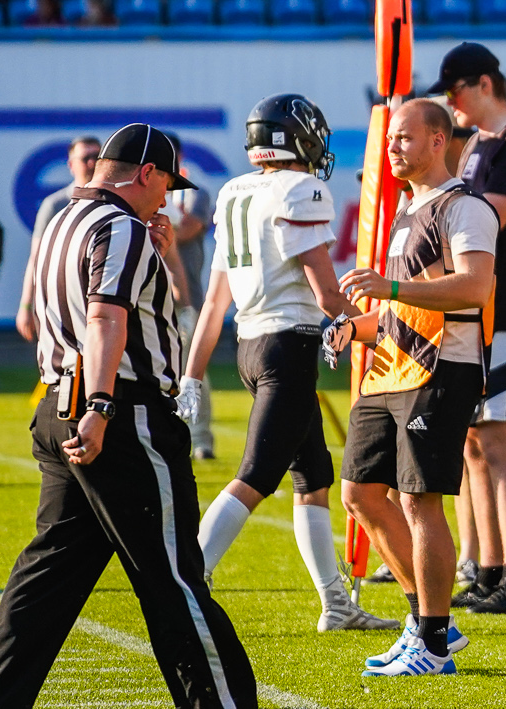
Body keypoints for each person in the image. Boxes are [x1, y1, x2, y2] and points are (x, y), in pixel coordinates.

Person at [0, 124, 259, 709]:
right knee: (175, 581)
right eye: (166, 186)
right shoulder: (119, 226)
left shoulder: (62, 219)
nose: (167, 200)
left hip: (59, 406)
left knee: (47, 578)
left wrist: (162, 255)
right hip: (120, 416)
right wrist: (101, 408)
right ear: (145, 173)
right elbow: (106, 319)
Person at [180, 95, 394, 632]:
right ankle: (185, 581)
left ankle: (336, 605)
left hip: (251, 348)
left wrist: (191, 375)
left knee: (313, 478)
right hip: (287, 350)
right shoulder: (300, 189)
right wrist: (382, 330)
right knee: (255, 476)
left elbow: (215, 303)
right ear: (297, 138)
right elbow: (327, 294)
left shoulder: (234, 192)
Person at [329, 98, 498, 676]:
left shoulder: (464, 207)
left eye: (404, 137)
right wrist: (354, 328)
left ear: (437, 141)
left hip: (440, 369)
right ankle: (426, 621)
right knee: (359, 494)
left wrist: (391, 290)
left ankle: (432, 644)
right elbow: (401, 309)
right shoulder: (406, 209)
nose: (392, 146)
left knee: (418, 500)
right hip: (390, 368)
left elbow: (474, 288)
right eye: (390, 138)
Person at [424, 41, 506, 616]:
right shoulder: (476, 143)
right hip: (480, 307)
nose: (450, 102)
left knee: (500, 437)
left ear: (484, 84)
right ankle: (488, 570)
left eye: (455, 90)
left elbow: (485, 219)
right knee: (475, 440)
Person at [18, 135, 102, 343]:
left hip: (102, 298)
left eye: (97, 157)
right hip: (63, 299)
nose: (92, 163)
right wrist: (26, 304)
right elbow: (36, 257)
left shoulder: (114, 202)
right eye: (85, 158)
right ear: (71, 165)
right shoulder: (55, 205)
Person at [163, 143, 216, 459]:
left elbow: (185, 230)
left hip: (187, 295)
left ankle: (201, 438)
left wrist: (164, 215)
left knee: (192, 367)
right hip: (152, 297)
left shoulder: (194, 191)